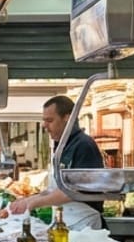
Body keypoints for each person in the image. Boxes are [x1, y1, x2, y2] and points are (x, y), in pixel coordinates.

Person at [6, 94, 105, 230]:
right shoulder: (62, 146)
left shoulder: (84, 145)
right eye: (44, 120)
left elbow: (71, 191)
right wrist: (26, 200)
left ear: (67, 118)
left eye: (50, 120)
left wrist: (32, 204)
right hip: (66, 223)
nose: (44, 126)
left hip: (84, 224)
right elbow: (55, 190)